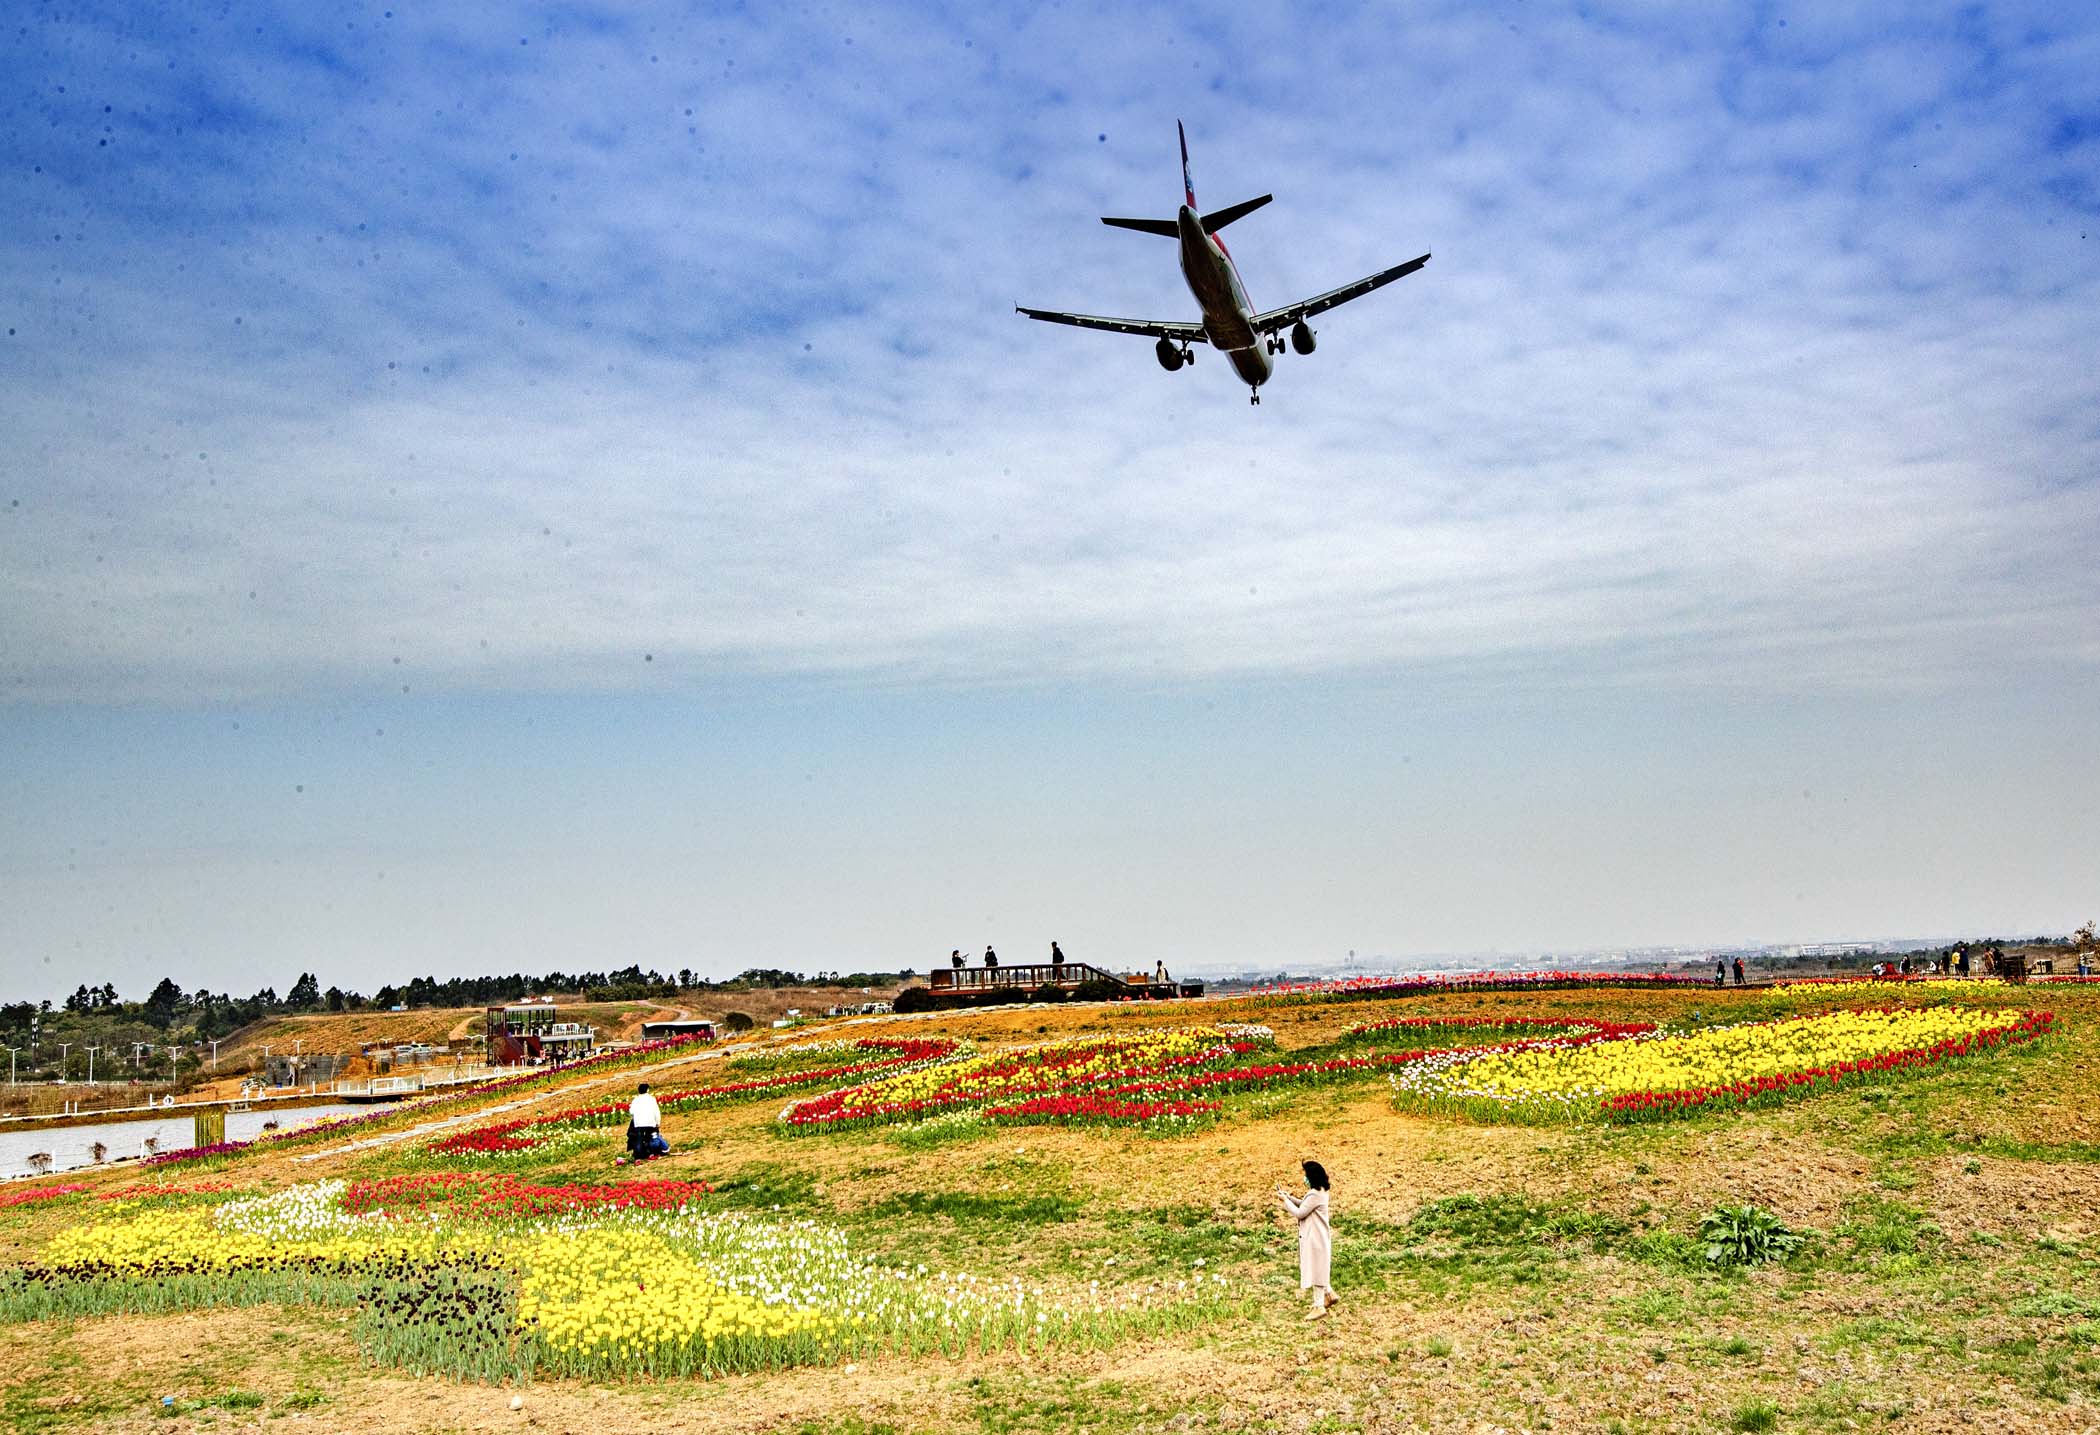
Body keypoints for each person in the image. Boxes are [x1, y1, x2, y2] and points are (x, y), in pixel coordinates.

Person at [1277, 1160, 1335, 1319]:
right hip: (1320, 1237)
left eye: (1306, 1175)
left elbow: (1300, 1213)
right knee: (1320, 1268)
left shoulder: (1315, 1194)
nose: (1304, 1178)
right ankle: (1329, 1294)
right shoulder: (1321, 1192)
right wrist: (1290, 1198)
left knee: (1316, 1271)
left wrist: (1285, 1201)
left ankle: (1319, 1306)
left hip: (1315, 1238)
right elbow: (1305, 1205)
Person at [626, 1082, 662, 1162]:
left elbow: (631, 1112)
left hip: (639, 1123)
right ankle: (651, 1155)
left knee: (638, 1140)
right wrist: (658, 1122)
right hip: (650, 1122)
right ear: (647, 1090)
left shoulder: (636, 1100)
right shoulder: (651, 1099)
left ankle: (637, 1159)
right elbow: (656, 1112)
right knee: (649, 1138)